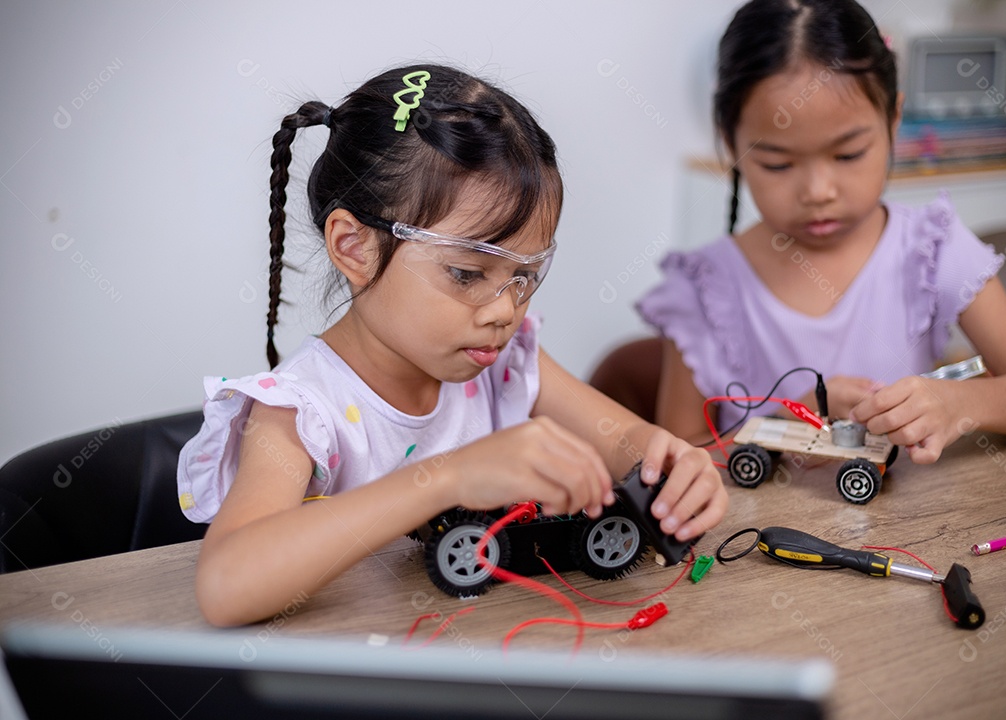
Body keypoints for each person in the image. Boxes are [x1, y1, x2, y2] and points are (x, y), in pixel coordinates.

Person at [177, 64, 727, 627]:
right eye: (467, 274)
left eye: (524, 276)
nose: (504, 311)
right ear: (354, 247)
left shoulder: (504, 365)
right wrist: (445, 476)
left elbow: (631, 441)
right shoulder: (298, 413)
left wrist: (675, 464)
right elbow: (226, 588)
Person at [637, 0, 1006, 462]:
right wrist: (788, 416)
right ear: (730, 143)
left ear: (893, 120)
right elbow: (678, 457)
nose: (818, 191)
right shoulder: (703, 289)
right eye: (777, 163)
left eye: (848, 155)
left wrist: (962, 403)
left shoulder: (931, 249)